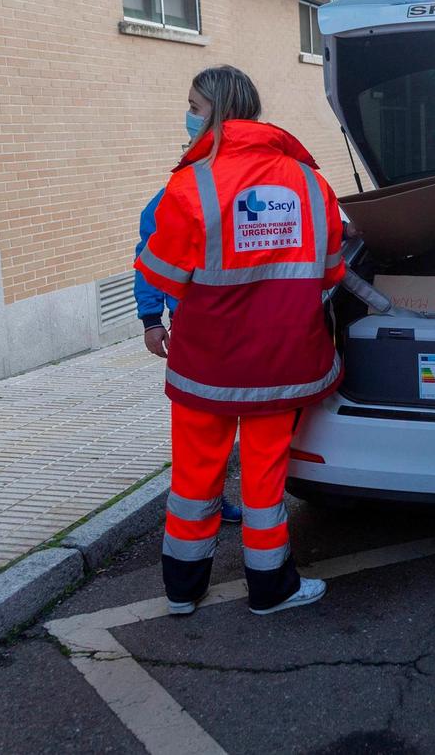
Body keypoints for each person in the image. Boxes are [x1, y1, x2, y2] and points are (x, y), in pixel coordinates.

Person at [136, 65, 346, 616]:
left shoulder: (189, 184)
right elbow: (329, 273)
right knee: (264, 480)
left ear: (220, 111)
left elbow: (160, 275)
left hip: (207, 362)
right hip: (280, 361)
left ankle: (183, 589)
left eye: (195, 107)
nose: (189, 117)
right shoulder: (309, 182)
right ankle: (270, 588)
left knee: (193, 478)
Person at [133, 113, 242, 526]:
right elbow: (148, 262)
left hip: (236, 328)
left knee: (223, 427)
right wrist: (150, 320)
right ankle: (205, 505)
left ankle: (209, 504)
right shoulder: (170, 199)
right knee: (202, 431)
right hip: (194, 332)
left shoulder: (247, 194)